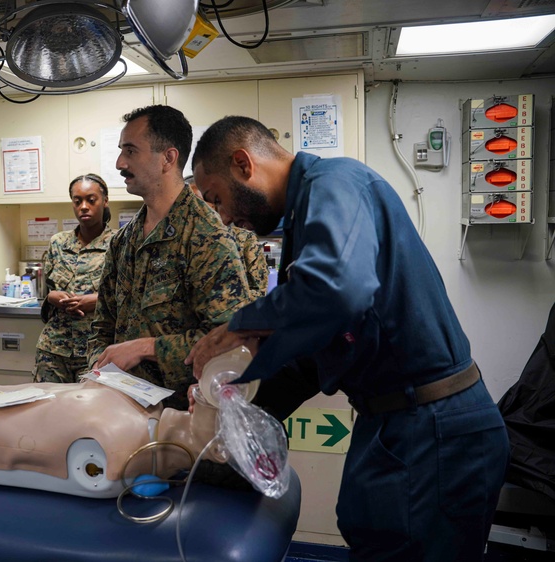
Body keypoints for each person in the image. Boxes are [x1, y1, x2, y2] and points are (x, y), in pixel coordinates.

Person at [185, 115, 509, 561]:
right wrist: (234, 397)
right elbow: (316, 356)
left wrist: (241, 324)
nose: (224, 217)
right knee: (370, 537)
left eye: (216, 199)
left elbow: (338, 287)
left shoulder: (335, 182)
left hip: (434, 426)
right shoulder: (304, 223)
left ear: (244, 164)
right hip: (391, 423)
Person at [88, 105, 252, 411]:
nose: (120, 163)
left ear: (168, 158)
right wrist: (100, 368)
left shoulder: (205, 236)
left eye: (131, 151)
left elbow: (229, 339)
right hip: (119, 409)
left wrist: (149, 348)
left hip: (180, 418)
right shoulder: (123, 241)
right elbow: (102, 327)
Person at [34, 173, 116, 383]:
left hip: (95, 352)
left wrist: (96, 301)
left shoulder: (118, 243)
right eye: (77, 201)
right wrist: (52, 297)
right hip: (53, 349)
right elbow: (47, 292)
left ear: (104, 201)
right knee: (47, 410)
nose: (84, 207)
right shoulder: (58, 243)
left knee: (89, 413)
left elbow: (130, 296)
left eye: (91, 200)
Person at [186, 174, 269, 300]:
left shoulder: (244, 240)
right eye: (190, 203)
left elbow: (259, 292)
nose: (196, 208)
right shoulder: (180, 242)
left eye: (201, 201)